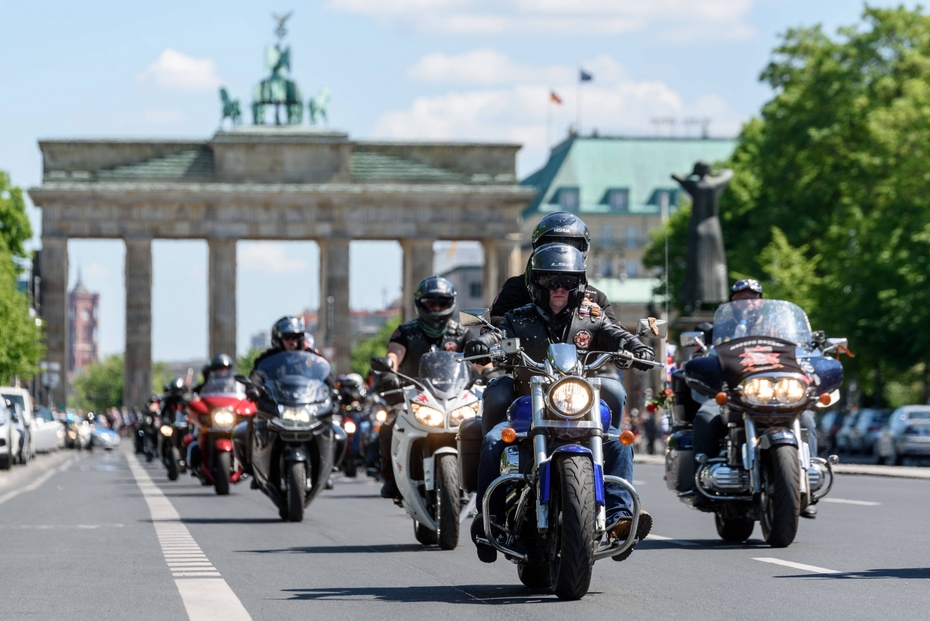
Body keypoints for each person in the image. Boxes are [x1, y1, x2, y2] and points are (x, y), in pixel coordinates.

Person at [464, 242, 656, 562]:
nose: (558, 288)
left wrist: (637, 349)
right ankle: (490, 520)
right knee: (494, 439)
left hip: (577, 404)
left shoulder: (589, 319)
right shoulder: (518, 318)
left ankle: (619, 519)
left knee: (619, 442)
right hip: (529, 401)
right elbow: (496, 334)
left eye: (566, 281)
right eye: (550, 280)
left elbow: (615, 334)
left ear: (578, 285)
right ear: (536, 283)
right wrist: (481, 343)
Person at [690, 278, 820, 517]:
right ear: (732, 302)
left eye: (752, 298)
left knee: (808, 419)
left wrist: (814, 349)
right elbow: (703, 353)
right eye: (741, 299)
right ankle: (701, 481)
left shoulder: (778, 326)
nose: (747, 303)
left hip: (777, 391)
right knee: (706, 415)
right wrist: (701, 349)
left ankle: (806, 487)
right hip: (734, 390)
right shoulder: (721, 329)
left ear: (760, 302)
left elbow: (803, 349)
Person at [488, 211, 629, 429]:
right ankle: (494, 451)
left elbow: (613, 330)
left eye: (571, 245)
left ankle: (610, 443)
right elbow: (495, 321)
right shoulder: (516, 287)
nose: (562, 251)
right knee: (496, 397)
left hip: (582, 381)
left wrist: (626, 347)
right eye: (552, 243)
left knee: (616, 393)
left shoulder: (593, 295)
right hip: (526, 377)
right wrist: (510, 334)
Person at [375, 276, 471, 500]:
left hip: (455, 397)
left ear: (451, 304)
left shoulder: (462, 333)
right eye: (431, 303)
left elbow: (481, 362)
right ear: (420, 304)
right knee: (389, 423)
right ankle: (390, 478)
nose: (437, 308)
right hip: (414, 396)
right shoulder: (405, 332)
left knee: (481, 424)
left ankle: (481, 478)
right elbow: (393, 356)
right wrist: (389, 371)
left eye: (442, 302)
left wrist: (490, 371)